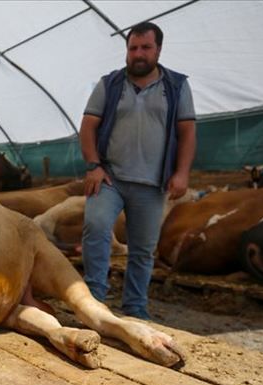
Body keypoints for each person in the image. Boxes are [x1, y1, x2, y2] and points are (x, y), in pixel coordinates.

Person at [80, 21, 196, 320]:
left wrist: (182, 173)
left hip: (152, 181)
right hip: (110, 178)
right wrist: (93, 165)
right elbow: (88, 126)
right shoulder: (110, 84)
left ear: (158, 49)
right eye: (133, 48)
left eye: (145, 47)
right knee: (96, 226)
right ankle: (94, 299)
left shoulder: (176, 86)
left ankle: (134, 308)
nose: (138, 54)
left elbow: (187, 132)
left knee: (143, 249)